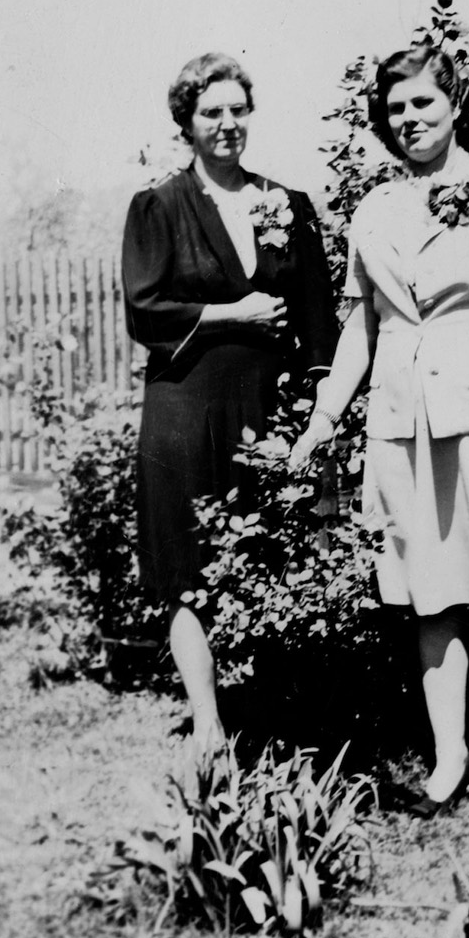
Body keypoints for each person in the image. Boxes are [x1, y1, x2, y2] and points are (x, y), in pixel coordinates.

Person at [291, 44, 469, 820]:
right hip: (402, 417)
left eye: (423, 102)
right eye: (396, 109)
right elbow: (362, 324)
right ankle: (449, 759)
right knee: (431, 593)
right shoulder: (375, 208)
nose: (410, 118)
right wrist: (326, 416)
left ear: (455, 103)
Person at [122, 52, 338, 764]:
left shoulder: (287, 204)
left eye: (237, 110)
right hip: (184, 409)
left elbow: (318, 316)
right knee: (187, 565)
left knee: (270, 550)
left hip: (266, 407)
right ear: (186, 122)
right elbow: (145, 309)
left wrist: (320, 408)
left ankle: (273, 711)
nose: (226, 124)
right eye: (210, 111)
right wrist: (229, 314)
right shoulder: (160, 206)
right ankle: (209, 722)